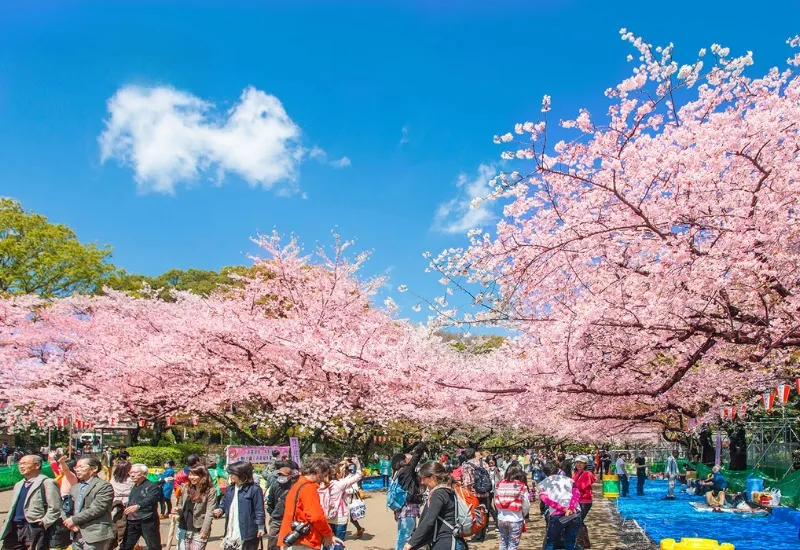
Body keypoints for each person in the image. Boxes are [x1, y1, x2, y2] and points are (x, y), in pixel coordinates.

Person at [0, 455, 62, 550]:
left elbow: (55, 508)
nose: (21, 466)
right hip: (14, 527)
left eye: (24, 463)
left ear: (37, 465)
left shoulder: (47, 482)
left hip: (33, 527)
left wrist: (43, 523)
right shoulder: (19, 484)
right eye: (20, 464)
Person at [278, 457, 339, 550]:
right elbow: (316, 517)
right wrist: (328, 533)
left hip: (292, 537)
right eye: (324, 475)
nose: (323, 479)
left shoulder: (297, 485)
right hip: (303, 540)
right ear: (318, 473)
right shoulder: (308, 488)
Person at [403, 461, 464, 550]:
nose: (422, 482)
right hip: (451, 539)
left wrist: (411, 543)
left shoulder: (439, 494)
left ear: (433, 477)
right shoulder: (449, 489)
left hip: (444, 542)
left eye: (423, 478)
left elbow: (429, 520)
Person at [64, 457, 115, 550]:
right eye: (76, 467)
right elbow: (66, 506)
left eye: (80, 466)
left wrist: (74, 520)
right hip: (75, 532)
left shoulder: (104, 486)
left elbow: (97, 508)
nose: (77, 470)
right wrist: (68, 521)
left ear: (94, 468)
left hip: (94, 532)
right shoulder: (75, 487)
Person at [213, 461, 265, 550]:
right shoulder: (230, 489)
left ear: (242, 474)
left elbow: (259, 510)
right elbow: (224, 504)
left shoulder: (254, 489)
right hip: (231, 531)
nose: (231, 476)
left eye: (233, 473)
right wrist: (220, 510)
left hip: (248, 532)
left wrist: (260, 527)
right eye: (230, 473)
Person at [391, 442, 426, 550]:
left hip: (402, 507)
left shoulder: (397, 473)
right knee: (405, 536)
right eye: (407, 459)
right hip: (408, 508)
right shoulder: (406, 471)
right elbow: (416, 456)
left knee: (405, 534)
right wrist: (422, 443)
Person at [539, 462, 581, 550]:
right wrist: (571, 507)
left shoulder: (543, 484)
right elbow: (576, 494)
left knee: (551, 542)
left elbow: (545, 499)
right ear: (557, 470)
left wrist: (563, 509)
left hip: (557, 515)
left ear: (545, 472)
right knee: (570, 542)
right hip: (574, 513)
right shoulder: (569, 480)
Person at [173, 464, 215, 550]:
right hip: (183, 526)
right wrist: (177, 509)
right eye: (190, 474)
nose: (191, 477)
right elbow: (181, 504)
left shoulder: (210, 491)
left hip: (199, 528)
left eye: (195, 475)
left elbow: (209, 512)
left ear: (203, 476)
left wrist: (205, 530)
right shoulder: (186, 487)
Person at [120, 464, 161, 550]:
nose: (132, 475)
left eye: (135, 472)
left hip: (147, 520)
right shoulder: (134, 485)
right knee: (125, 546)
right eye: (130, 472)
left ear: (144, 474)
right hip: (132, 521)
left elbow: (151, 498)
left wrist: (138, 506)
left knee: (154, 546)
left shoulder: (152, 485)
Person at [324, 457, 362, 541]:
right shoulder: (340, 484)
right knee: (339, 542)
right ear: (337, 474)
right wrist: (357, 464)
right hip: (340, 516)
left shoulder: (323, 484)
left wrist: (343, 465)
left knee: (329, 542)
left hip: (327, 516)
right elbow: (358, 476)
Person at [493, 463, 529, 550]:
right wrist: (524, 513)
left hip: (501, 518)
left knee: (503, 541)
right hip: (515, 518)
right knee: (513, 545)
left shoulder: (499, 484)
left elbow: (495, 500)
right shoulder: (521, 486)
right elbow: (526, 504)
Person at [265, 462, 298, 550]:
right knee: (272, 540)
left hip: (290, 518)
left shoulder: (293, 486)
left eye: (284, 475)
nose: (281, 477)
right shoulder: (275, 485)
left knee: (289, 542)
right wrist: (272, 513)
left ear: (290, 476)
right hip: (276, 518)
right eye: (279, 475)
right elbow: (270, 501)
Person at [461, 448, 490, 543]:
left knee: (476, 514)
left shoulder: (466, 466)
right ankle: (482, 534)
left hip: (474, 494)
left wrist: (465, 493)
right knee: (484, 512)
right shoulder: (484, 464)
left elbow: (467, 482)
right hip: (485, 492)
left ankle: (477, 535)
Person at [572, 455, 596, 549]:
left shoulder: (587, 474)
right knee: (578, 520)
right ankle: (583, 541)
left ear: (585, 464)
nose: (579, 464)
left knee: (578, 520)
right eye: (577, 462)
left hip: (585, 500)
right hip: (577, 500)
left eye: (581, 463)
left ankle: (581, 542)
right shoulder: (575, 473)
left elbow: (581, 486)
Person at [109, 461, 134, 550]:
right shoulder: (131, 480)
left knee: (115, 523)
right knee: (127, 525)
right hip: (128, 503)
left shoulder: (114, 479)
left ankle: (114, 543)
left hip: (114, 502)